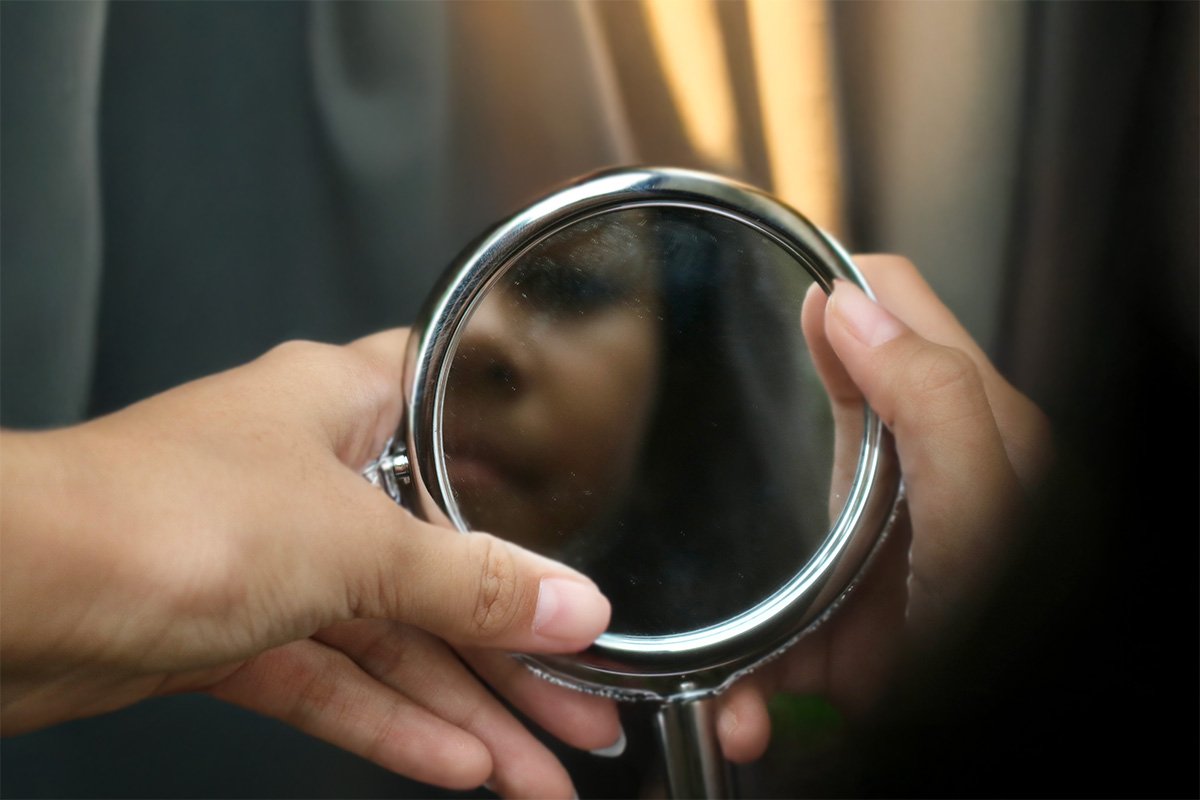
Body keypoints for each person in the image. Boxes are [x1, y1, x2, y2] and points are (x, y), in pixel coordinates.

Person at [1, 249, 1053, 795]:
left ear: (676, 399)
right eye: (458, 302)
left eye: (574, 287)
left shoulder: (820, 709)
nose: (481, 344)